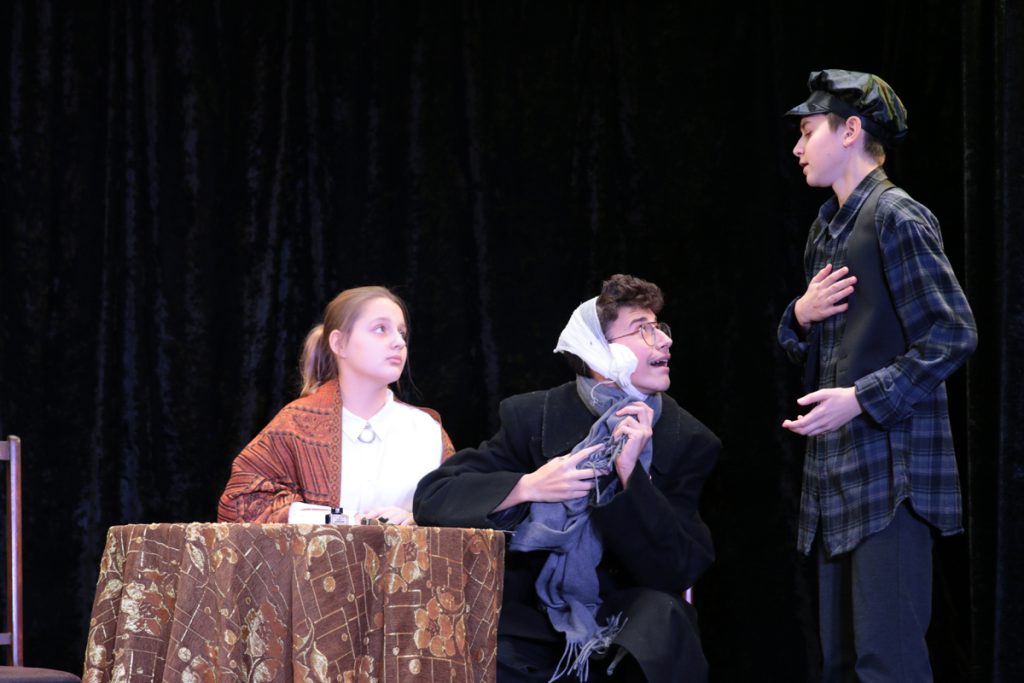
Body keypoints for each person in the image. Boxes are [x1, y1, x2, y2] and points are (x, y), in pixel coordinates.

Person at [414, 274, 719, 682]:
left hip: (630, 615)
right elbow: (435, 497)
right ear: (597, 351)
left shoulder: (687, 439)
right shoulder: (534, 417)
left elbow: (677, 569)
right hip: (536, 613)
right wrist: (530, 486)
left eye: (659, 327)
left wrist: (631, 476)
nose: (664, 340)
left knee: (661, 637)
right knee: (487, 652)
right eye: (642, 330)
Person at [778, 69, 978, 681]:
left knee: (886, 662)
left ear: (850, 131)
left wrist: (861, 399)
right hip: (836, 478)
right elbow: (823, 352)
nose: (797, 146)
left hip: (890, 478)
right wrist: (799, 316)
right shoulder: (825, 229)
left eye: (808, 131)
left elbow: (952, 332)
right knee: (840, 662)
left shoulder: (896, 216)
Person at [218, 286, 455, 524]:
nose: (398, 342)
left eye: (402, 333)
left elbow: (458, 511)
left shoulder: (428, 431)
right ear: (339, 343)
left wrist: (417, 519)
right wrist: (339, 520)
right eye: (380, 329)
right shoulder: (295, 425)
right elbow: (239, 503)